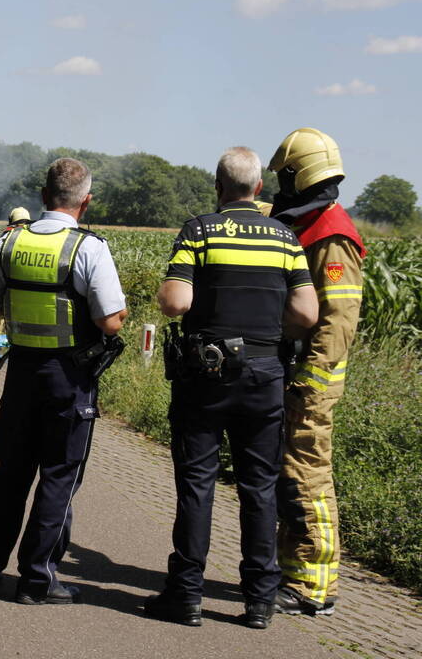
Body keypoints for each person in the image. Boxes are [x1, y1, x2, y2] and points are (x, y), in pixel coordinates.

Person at [145, 147, 318, 630]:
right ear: (259, 188)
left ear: (218, 187)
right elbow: (307, 316)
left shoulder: (200, 230)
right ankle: (260, 601)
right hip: (265, 376)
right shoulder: (285, 237)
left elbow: (175, 303)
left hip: (207, 376)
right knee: (258, 487)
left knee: (197, 484)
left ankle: (185, 596)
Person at [0, 158, 128, 605]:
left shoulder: (9, 243)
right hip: (69, 378)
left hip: (20, 374)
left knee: (10, 475)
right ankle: (38, 580)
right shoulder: (88, 249)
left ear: (42, 197)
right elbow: (111, 321)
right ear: (86, 200)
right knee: (59, 475)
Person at [266, 128, 365, 616]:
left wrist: (311, 379)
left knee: (307, 476)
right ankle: (290, 571)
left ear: (295, 175)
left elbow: (339, 319)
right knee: (289, 476)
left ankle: (314, 587)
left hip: (311, 380)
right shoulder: (308, 222)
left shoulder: (331, 232)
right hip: (293, 371)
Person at [0, 207, 34, 342]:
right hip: (27, 299)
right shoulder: (35, 240)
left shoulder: (4, 241)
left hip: (6, 292)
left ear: (11, 221)